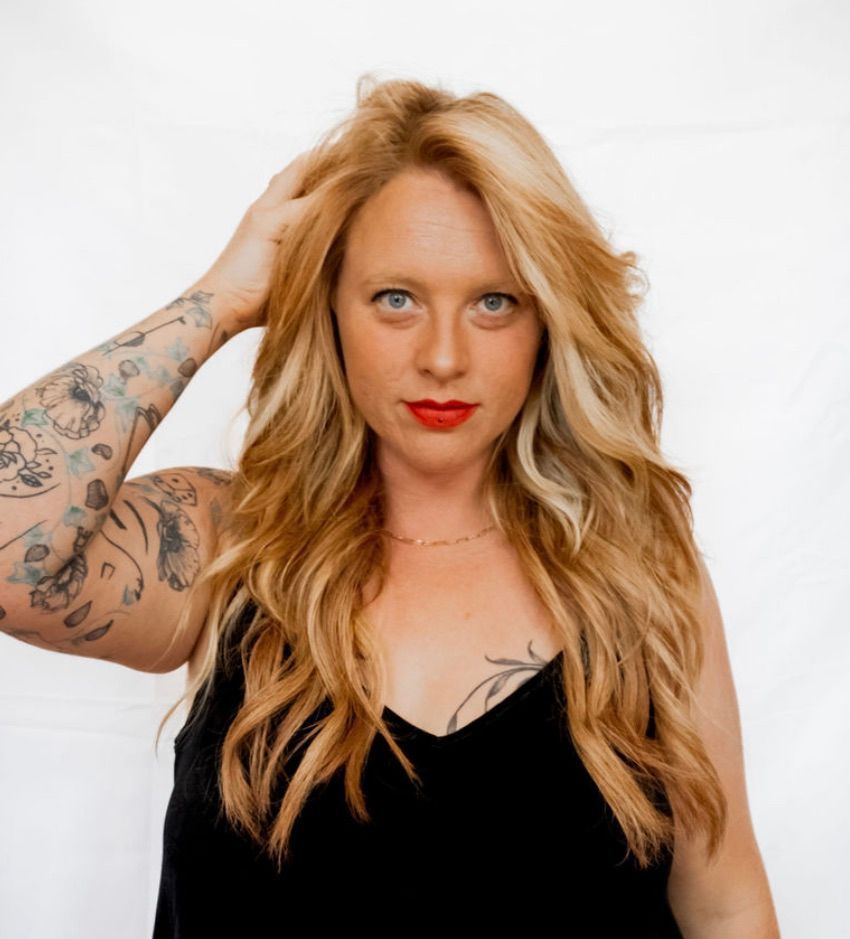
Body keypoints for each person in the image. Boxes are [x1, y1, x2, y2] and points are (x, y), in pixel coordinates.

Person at [0, 75, 780, 937]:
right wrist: (220, 299)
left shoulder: (639, 577)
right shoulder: (231, 545)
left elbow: (726, 904)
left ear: (548, 322)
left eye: (494, 302)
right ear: (328, 308)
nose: (443, 357)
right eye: (395, 299)